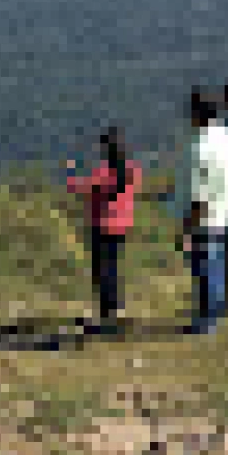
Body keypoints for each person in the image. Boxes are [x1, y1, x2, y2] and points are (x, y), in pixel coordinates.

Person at [66, 125, 142, 332]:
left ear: (106, 148)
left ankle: (108, 315)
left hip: (102, 224)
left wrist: (70, 171)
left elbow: (80, 188)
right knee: (113, 267)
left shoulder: (103, 172)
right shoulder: (133, 170)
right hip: (123, 225)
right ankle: (116, 309)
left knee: (102, 271)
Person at [174, 87, 228, 335]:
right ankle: (214, 318)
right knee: (218, 269)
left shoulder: (200, 148)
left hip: (207, 218)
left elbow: (200, 196)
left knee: (205, 271)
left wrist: (186, 228)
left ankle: (207, 323)